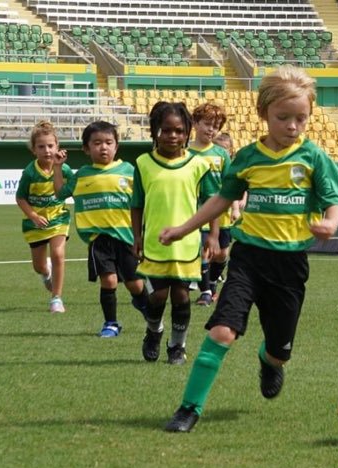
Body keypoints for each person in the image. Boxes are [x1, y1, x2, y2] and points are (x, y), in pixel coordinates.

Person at [158, 67, 338, 433]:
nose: (293, 126)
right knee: (222, 332)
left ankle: (269, 360)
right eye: (283, 117)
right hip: (249, 260)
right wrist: (183, 229)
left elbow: (333, 201)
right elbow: (222, 199)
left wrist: (332, 222)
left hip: (290, 265)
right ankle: (189, 408)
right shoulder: (246, 158)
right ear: (263, 114)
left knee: (279, 349)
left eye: (301, 118)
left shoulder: (313, 158)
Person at [132, 102, 218, 365]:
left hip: (187, 243)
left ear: (187, 132)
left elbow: (213, 201)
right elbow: (136, 203)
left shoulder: (199, 164)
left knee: (181, 295)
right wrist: (136, 236)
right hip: (154, 242)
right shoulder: (144, 163)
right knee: (157, 296)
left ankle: (177, 347)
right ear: (155, 131)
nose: (173, 136)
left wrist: (213, 236)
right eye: (166, 130)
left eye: (179, 131)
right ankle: (154, 332)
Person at [52, 121, 150, 338]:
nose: (103, 147)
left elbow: (143, 201)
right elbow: (59, 193)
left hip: (127, 238)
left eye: (108, 142)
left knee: (135, 284)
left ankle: (147, 309)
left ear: (116, 146)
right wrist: (57, 168)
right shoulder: (82, 175)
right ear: (87, 149)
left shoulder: (130, 171)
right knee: (109, 280)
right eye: (97, 143)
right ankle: (111, 323)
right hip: (99, 239)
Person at [14, 121, 73, 313]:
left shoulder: (63, 169)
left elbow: (71, 187)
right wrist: (32, 215)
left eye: (50, 146)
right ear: (33, 150)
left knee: (58, 254)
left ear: (57, 147)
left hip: (58, 218)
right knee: (39, 266)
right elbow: (20, 197)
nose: (47, 150)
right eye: (41, 146)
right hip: (36, 224)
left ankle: (56, 298)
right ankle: (46, 272)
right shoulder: (30, 172)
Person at [188, 103, 232, 307]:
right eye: (207, 124)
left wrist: (236, 206)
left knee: (222, 253)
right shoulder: (186, 153)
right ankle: (205, 291)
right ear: (195, 123)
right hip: (197, 209)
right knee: (205, 249)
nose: (211, 129)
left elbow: (230, 182)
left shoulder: (221, 154)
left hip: (221, 211)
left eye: (215, 126)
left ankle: (212, 283)